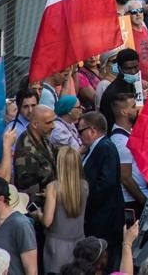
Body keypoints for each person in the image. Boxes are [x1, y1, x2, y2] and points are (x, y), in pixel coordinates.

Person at [78, 111, 126, 262]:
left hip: (105, 220)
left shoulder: (105, 148)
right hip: (100, 218)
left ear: (92, 130)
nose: (79, 136)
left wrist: (87, 203)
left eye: (81, 131)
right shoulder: (94, 149)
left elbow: (106, 183)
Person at [41, 146, 88, 274]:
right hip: (79, 242)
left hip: (57, 246)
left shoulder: (53, 188)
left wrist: (38, 215)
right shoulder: (84, 186)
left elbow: (47, 221)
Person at [13, 104, 58, 207]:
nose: (53, 126)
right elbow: (29, 190)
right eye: (49, 123)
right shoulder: (26, 150)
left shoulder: (42, 136)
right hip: (39, 207)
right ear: (35, 124)